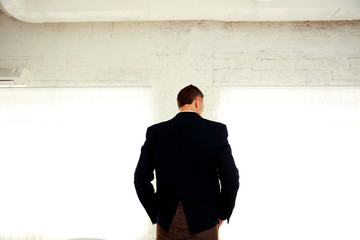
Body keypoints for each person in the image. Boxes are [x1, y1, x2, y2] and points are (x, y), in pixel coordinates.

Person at [134, 85, 239, 240]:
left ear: (179, 104)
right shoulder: (216, 131)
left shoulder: (156, 132)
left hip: (168, 218)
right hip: (205, 217)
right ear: (197, 102)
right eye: (202, 104)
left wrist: (156, 211)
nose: (202, 108)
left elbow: (140, 179)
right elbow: (231, 178)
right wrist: (222, 213)